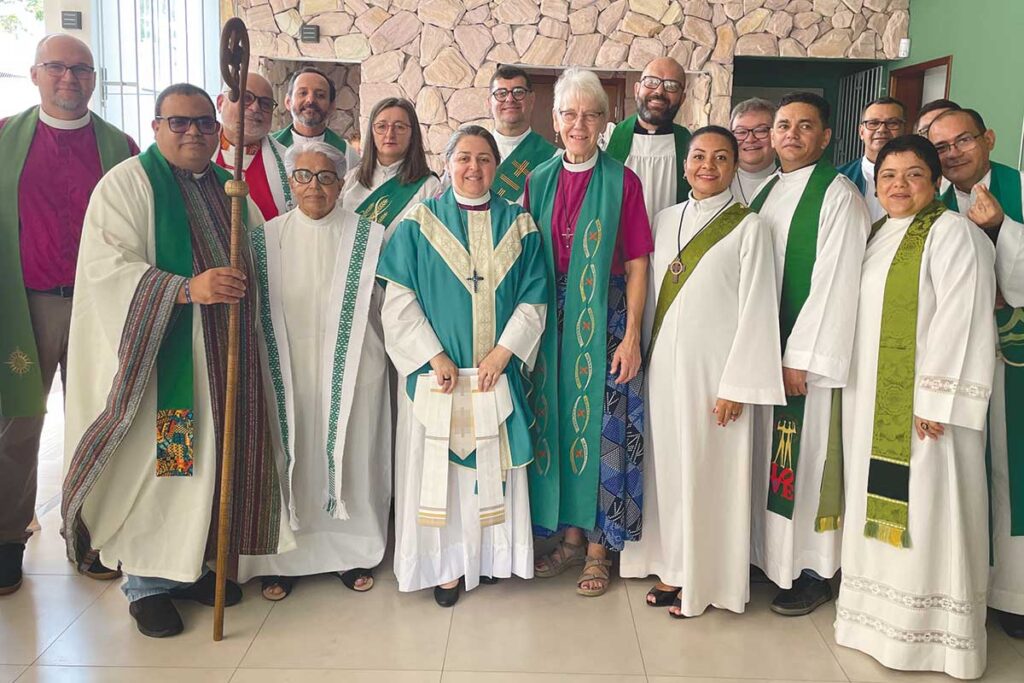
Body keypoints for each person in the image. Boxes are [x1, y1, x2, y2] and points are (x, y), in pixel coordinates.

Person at [60, 83, 294, 638]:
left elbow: (264, 258)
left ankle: (189, 567)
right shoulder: (126, 185)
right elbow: (106, 271)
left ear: (218, 131)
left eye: (204, 125)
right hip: (168, 371)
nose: (193, 133)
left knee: (211, 469)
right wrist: (188, 289)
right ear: (155, 126)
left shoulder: (228, 188)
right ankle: (146, 583)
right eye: (179, 123)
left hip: (225, 360)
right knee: (170, 469)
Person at [834, 135, 996, 679]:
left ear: (935, 181)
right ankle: (876, 623)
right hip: (875, 402)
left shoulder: (955, 234)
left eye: (913, 175)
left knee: (931, 512)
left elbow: (963, 319)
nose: (898, 186)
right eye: (888, 177)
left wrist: (937, 396)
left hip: (927, 411)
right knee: (881, 513)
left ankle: (932, 638)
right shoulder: (878, 233)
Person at [377, 125, 547, 607]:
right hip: (439, 378)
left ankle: (491, 559)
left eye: (484, 159)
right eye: (464, 158)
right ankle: (445, 567)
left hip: (496, 372)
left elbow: (534, 298)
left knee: (491, 469)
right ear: (447, 163)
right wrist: (434, 355)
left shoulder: (520, 225)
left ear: (497, 166)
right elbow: (399, 301)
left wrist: (503, 352)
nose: (474, 168)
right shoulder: (418, 224)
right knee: (444, 476)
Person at [620, 126, 784, 618]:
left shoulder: (749, 226)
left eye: (720, 158)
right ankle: (672, 562)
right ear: (685, 164)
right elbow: (649, 295)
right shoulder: (665, 219)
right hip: (667, 365)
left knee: (711, 473)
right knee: (669, 468)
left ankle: (707, 578)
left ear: (735, 167)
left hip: (718, 374)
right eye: (698, 157)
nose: (706, 166)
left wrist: (737, 385)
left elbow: (759, 309)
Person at [0, 33, 137, 596]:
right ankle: (8, 539)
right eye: (56, 67)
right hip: (24, 301)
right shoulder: (4, 139)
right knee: (16, 423)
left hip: (97, 303)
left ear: (94, 80)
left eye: (81, 70)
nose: (69, 78)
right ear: (34, 74)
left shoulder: (120, 146)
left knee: (95, 420)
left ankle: (88, 534)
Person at [239, 141, 389, 601]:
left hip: (355, 371)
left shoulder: (371, 236)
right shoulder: (264, 239)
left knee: (353, 456)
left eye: (326, 177)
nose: (314, 186)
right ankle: (282, 560)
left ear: (341, 182)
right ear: (290, 182)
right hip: (285, 373)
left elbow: (388, 308)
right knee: (292, 456)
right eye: (303, 176)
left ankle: (351, 552)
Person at [527, 68, 652, 598]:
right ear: (555, 121)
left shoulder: (623, 181)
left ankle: (600, 548)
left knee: (602, 431)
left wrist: (632, 338)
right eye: (570, 113)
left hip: (606, 317)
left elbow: (640, 262)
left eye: (591, 113)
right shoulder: (536, 179)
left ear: (605, 122)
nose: (580, 123)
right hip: (551, 323)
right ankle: (570, 537)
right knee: (556, 426)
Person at [748, 92, 870, 616]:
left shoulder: (838, 195)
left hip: (801, 365)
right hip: (762, 357)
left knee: (808, 457)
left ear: (825, 137)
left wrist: (800, 357)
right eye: (783, 126)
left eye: (805, 126)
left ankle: (814, 568)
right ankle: (770, 558)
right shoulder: (767, 191)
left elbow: (836, 282)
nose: (791, 134)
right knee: (768, 461)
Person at [929, 108, 1024, 639]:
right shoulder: (934, 202)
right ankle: (968, 584)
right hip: (958, 357)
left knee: (1011, 469)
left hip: (1012, 357)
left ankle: (1014, 591)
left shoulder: (1019, 188)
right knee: (964, 463)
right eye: (940, 147)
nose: (953, 154)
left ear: (988, 137)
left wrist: (1002, 228)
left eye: (962, 140)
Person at [603, 57, 691, 220]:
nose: (659, 91)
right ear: (637, 89)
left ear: (682, 98)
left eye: (671, 86)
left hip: (672, 243)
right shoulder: (609, 139)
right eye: (651, 82)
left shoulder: (690, 146)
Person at [340, 97, 439, 239]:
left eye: (400, 127)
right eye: (381, 126)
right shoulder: (351, 179)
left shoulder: (429, 187)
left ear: (412, 134)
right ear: (371, 133)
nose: (390, 134)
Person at [213, 71, 292, 221]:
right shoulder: (197, 157)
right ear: (220, 103)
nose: (255, 108)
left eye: (265, 104)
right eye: (246, 98)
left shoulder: (290, 164)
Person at [488, 65, 559, 205]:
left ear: (532, 99)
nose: (510, 99)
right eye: (501, 93)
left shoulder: (555, 159)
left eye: (518, 92)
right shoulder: (475, 155)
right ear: (489, 102)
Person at [273, 66, 359, 169]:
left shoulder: (348, 154)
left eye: (320, 95)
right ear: (288, 102)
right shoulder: (270, 147)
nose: (310, 100)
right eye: (303, 93)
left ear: (332, 106)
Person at [837, 97, 908, 222]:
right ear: (861, 132)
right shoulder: (839, 178)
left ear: (905, 130)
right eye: (873, 123)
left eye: (892, 123)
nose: (882, 129)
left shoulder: (918, 179)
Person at [729, 97, 777, 205]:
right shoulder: (718, 178)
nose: (750, 139)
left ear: (775, 135)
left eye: (760, 130)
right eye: (741, 132)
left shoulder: (792, 180)